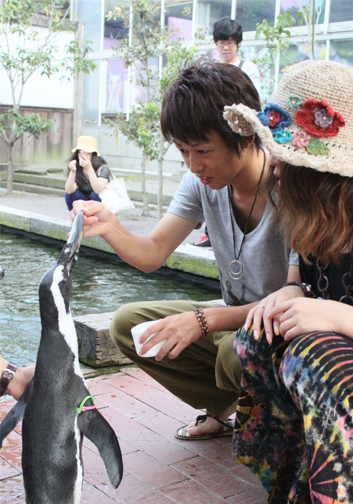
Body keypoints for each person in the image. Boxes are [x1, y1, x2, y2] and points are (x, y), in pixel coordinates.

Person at [223, 60, 353, 504]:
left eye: (284, 158)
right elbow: (303, 271)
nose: (274, 168)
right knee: (259, 333)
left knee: (315, 353)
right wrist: (291, 292)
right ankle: (299, 489)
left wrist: (336, 315)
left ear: (322, 170)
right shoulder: (312, 209)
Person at [72, 60, 299, 440]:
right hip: (234, 321)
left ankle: (278, 426)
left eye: (202, 150)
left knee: (233, 352)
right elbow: (152, 253)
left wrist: (203, 319)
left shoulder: (291, 190)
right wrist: (110, 226)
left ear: (245, 136)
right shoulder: (201, 183)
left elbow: (297, 298)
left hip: (284, 329)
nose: (193, 165)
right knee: (129, 325)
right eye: (182, 151)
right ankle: (226, 408)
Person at [191, 17, 263, 249]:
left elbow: (253, 101)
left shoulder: (247, 68)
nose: (225, 47)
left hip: (237, 131)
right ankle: (210, 231)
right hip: (214, 129)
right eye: (222, 42)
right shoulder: (208, 67)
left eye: (230, 42)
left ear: (238, 44)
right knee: (214, 181)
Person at [65, 136, 111, 221]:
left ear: (93, 154)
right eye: (80, 152)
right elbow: (69, 190)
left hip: (100, 202)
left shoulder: (103, 168)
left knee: (95, 194)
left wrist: (89, 169)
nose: (83, 155)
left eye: (87, 153)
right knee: (69, 195)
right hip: (85, 200)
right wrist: (72, 171)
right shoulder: (77, 166)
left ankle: (97, 219)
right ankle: (77, 218)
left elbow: (99, 190)